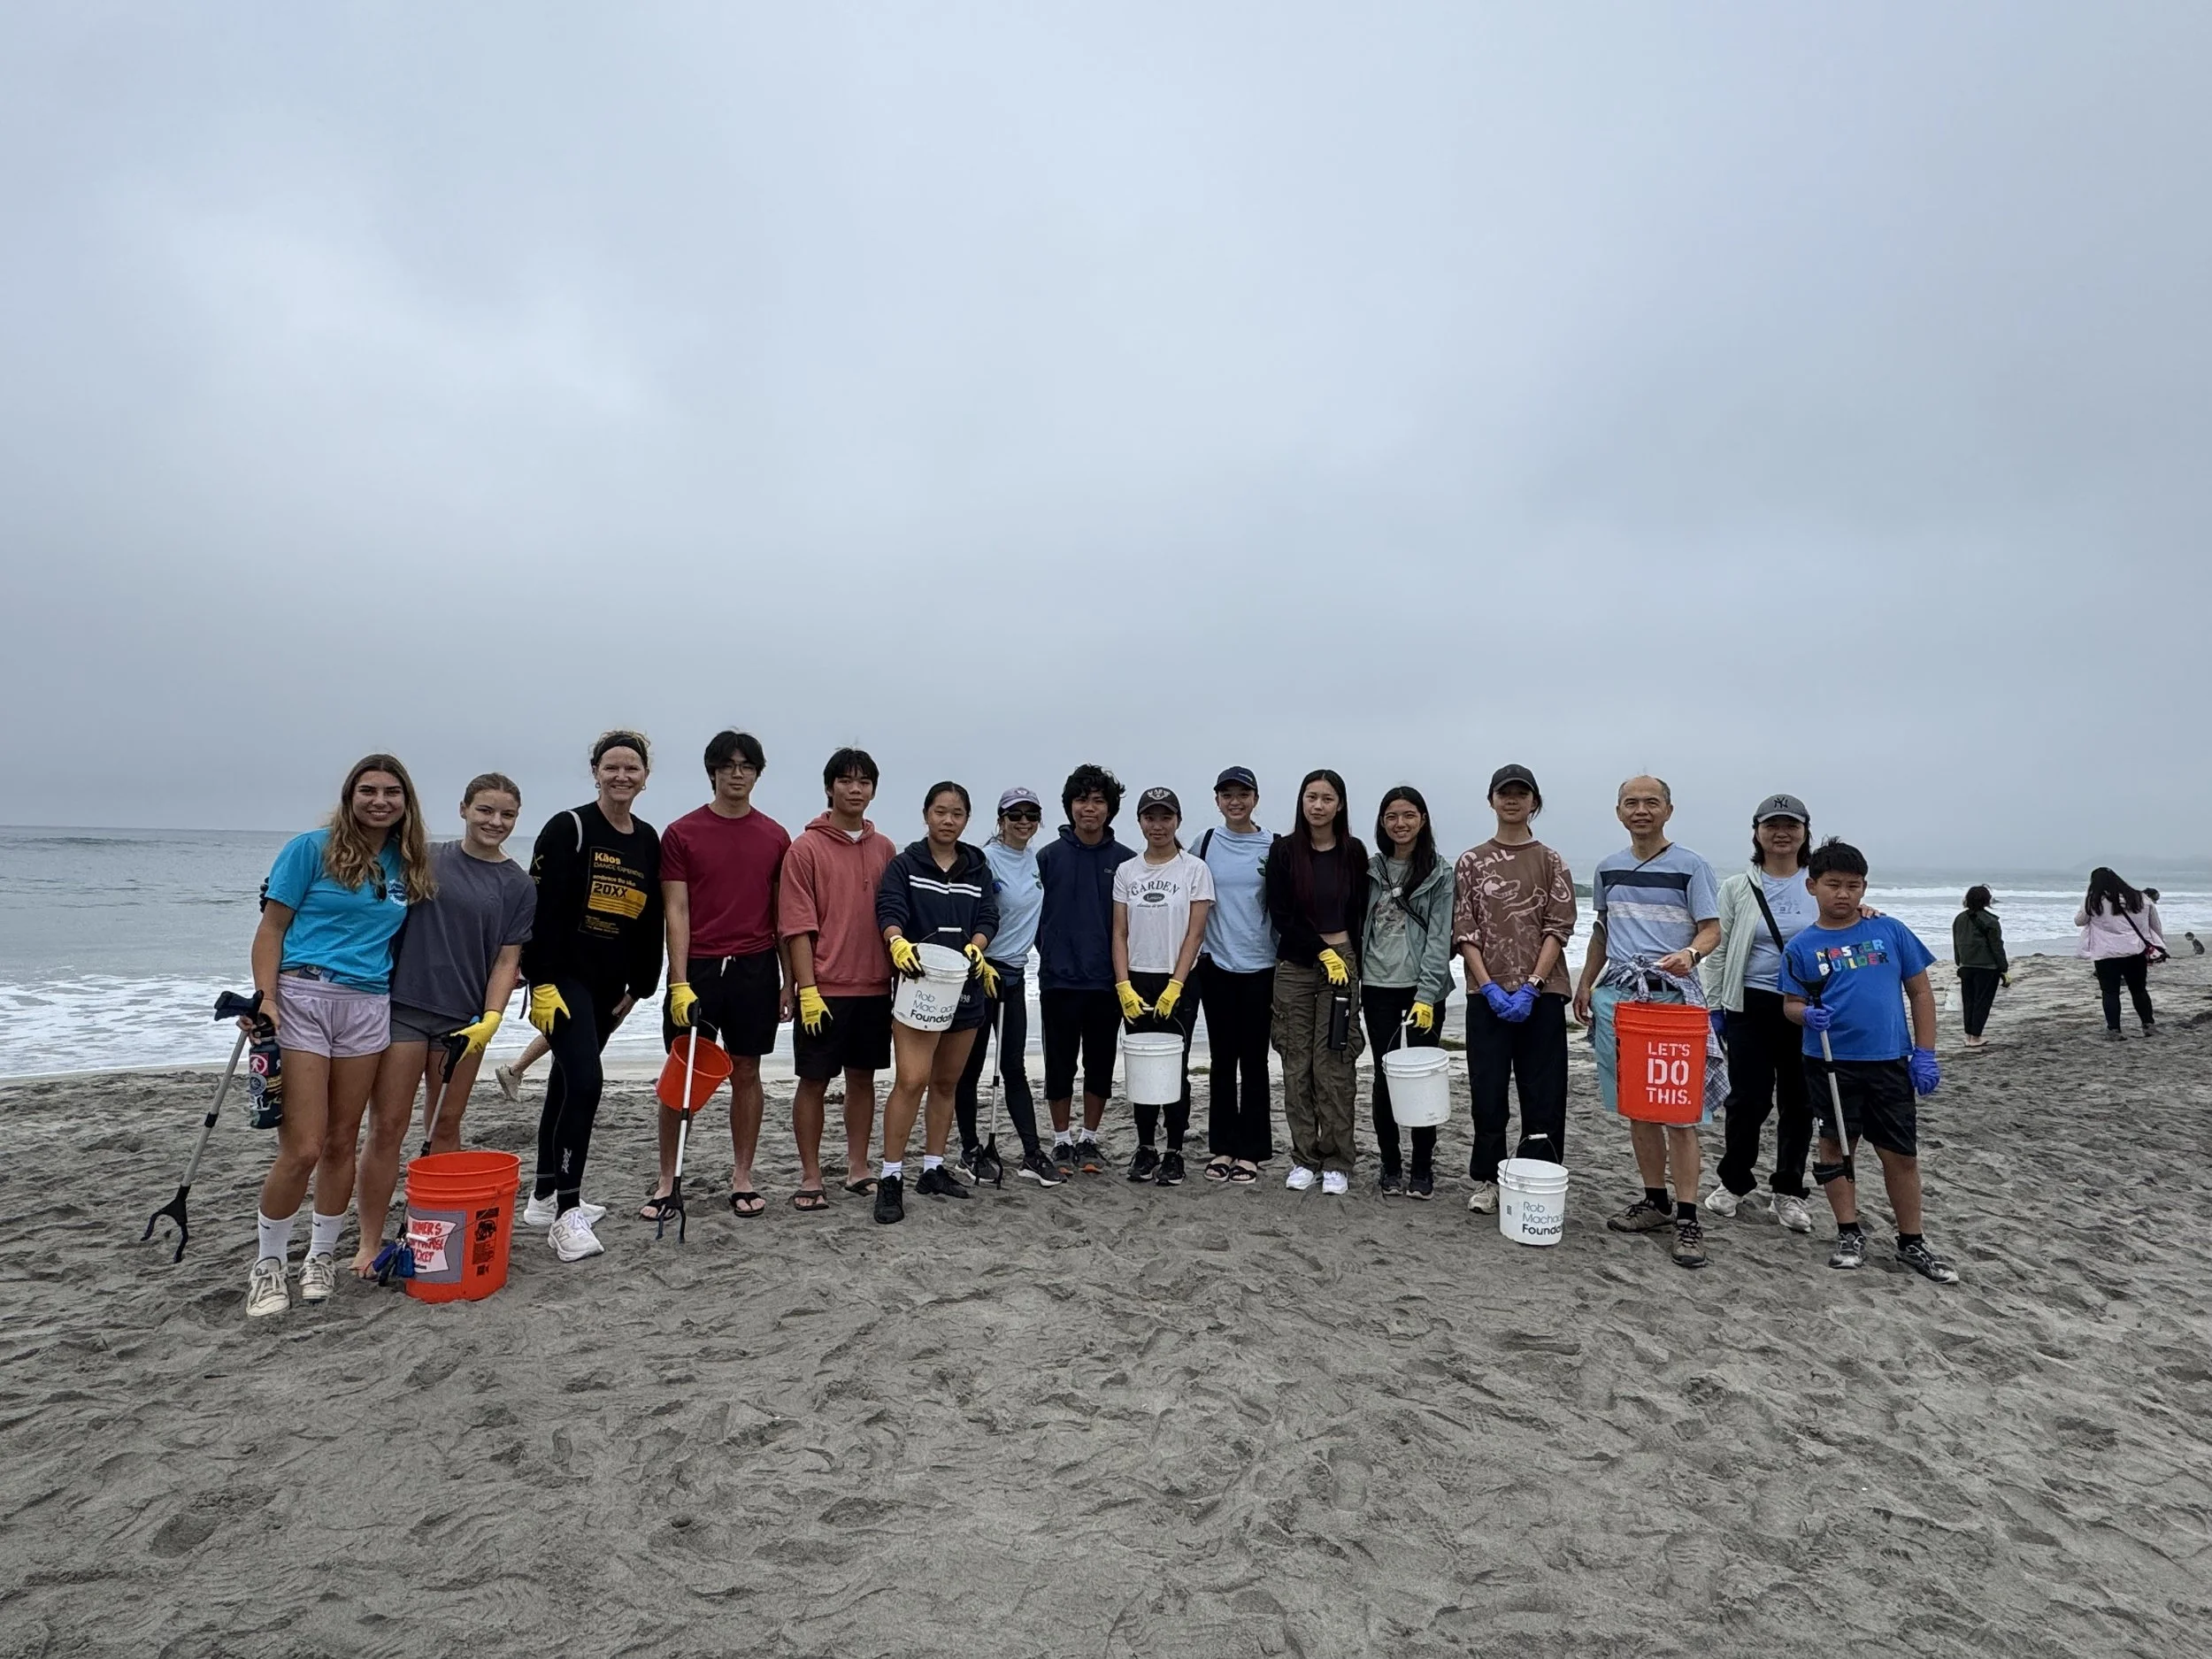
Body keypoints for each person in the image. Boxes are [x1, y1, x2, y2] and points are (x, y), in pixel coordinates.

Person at [242, 755, 435, 1317]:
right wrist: (265, 999)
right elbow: (271, 929)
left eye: (392, 792)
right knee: (302, 1145)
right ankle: (269, 1263)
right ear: (351, 795)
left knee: (340, 1142)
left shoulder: (407, 861)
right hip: (303, 997)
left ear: (406, 801)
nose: (380, 801)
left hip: (369, 1004)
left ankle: (320, 1256)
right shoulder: (311, 848)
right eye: (368, 791)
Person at [352, 772, 535, 1278]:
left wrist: (492, 1019)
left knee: (446, 1124)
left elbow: (506, 960)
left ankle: (430, 1228)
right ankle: (368, 1242)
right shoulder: (424, 857)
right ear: (463, 809)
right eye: (485, 811)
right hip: (405, 1008)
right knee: (388, 1125)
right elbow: (367, 905)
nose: (495, 822)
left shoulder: (518, 884)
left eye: (506, 815)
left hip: (467, 1021)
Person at [1782, 839, 1956, 1282]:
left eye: (1853, 886)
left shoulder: (1890, 931)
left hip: (1889, 1061)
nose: (1843, 894)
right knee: (1838, 1149)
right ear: (1812, 886)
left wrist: (1926, 1052)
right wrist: (1807, 1015)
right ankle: (1848, 1231)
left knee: (1900, 1154)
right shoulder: (1802, 947)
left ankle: (1911, 1240)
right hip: (1829, 1063)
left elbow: (1920, 992)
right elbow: (1790, 1004)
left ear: (1864, 888)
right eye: (1833, 885)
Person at [520, 731, 663, 1263]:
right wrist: (542, 979)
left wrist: (640, 988)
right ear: (595, 772)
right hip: (564, 980)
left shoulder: (647, 839)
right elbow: (540, 908)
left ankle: (541, 1196)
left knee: (564, 1079)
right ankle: (566, 1212)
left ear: (646, 777)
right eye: (612, 767)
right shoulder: (569, 827)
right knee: (586, 1079)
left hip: (610, 986)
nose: (622, 776)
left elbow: (650, 922)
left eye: (632, 768)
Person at [1575, 776, 1722, 1270]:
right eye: (1631, 803)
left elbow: (1711, 929)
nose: (1641, 810)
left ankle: (1687, 1215)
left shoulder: (1692, 865)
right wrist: (1585, 984)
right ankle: (1655, 1201)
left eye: (1651, 803)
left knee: (1680, 1111)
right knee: (1637, 1107)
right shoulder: (1607, 868)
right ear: (1618, 811)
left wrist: (1690, 954)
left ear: (1668, 810)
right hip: (1620, 997)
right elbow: (1602, 930)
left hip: (1673, 998)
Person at [656, 730, 794, 1219]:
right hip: (699, 968)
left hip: (755, 967)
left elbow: (782, 915)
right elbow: (676, 909)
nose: (737, 774)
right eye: (728, 765)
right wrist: (677, 981)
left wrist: (790, 982)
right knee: (682, 1076)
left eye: (746, 766)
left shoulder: (776, 835)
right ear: (712, 771)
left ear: (757, 773)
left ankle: (743, 1175)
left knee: (748, 1071)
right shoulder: (681, 833)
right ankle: (667, 1179)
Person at [871, 782, 1000, 1224]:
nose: (948, 820)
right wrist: (896, 942)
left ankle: (933, 1167)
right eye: (940, 811)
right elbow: (889, 908)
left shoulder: (977, 867)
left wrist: (979, 945)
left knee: (947, 1083)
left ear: (967, 819)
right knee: (912, 1079)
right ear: (926, 814)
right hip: (919, 984)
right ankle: (891, 1177)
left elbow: (988, 915)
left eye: (957, 813)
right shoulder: (905, 864)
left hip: (965, 986)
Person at [1452, 764, 1576, 1215]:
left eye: (1521, 794)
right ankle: (1488, 1177)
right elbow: (1465, 929)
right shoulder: (1470, 861)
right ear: (1491, 800)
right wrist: (1488, 987)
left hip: (1540, 995)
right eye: (1504, 793)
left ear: (1534, 803)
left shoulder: (1552, 860)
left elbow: (1559, 926)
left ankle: (1536, 1176)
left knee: (1542, 1091)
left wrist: (1533, 985)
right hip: (1485, 994)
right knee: (1487, 1091)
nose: (1512, 800)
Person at [1699, 793, 1820, 1233]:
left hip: (1806, 1007)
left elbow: (1845, 928)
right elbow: (1719, 949)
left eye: (1791, 825)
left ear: (1806, 831)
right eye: (1772, 825)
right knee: (1746, 1099)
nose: (1781, 833)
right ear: (1757, 832)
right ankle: (1733, 1182)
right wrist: (1715, 1006)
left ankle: (1787, 1191)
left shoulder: (1818, 883)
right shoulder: (1737, 887)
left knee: (1799, 1101)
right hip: (1749, 1003)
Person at [780, 748, 899, 1194]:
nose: (856, 789)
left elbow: (895, 917)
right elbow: (795, 925)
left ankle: (857, 1168)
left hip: (873, 987)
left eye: (864, 781)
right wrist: (804, 989)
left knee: (862, 1078)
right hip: (824, 989)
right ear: (830, 788)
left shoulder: (885, 848)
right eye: (846, 781)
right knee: (813, 1081)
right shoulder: (804, 848)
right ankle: (811, 1176)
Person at [1266, 769, 1371, 1195]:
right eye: (1311, 797)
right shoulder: (1285, 852)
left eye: (1327, 798)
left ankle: (1338, 1160)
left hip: (1342, 966)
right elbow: (1281, 916)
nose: (1318, 805)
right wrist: (1317, 951)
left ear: (1340, 805)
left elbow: (1361, 914)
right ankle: (1304, 1157)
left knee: (1335, 1064)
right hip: (1296, 967)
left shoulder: (1354, 852)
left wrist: (1346, 960)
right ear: (1301, 801)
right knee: (1297, 1065)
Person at [955, 787, 1062, 1187]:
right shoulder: (984, 860)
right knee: (971, 1067)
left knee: (1013, 1067)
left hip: (1016, 975)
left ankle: (1032, 1153)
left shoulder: (1033, 861)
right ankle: (969, 1149)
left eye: (1031, 815)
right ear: (1000, 819)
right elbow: (971, 910)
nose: (1023, 822)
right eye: (1014, 815)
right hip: (982, 972)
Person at [1111, 787, 1215, 1186]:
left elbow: (1196, 933)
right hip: (1137, 977)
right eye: (1150, 817)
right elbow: (1119, 932)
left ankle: (1173, 1150)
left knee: (1175, 1068)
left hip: (1181, 979)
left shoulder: (1193, 870)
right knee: (1140, 1066)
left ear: (1177, 821)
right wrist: (1123, 985)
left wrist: (1176, 984)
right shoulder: (1127, 871)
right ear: (1140, 822)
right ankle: (1144, 1147)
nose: (1158, 825)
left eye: (1166, 817)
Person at [1037, 764, 1136, 1174]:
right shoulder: (1047, 857)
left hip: (1107, 982)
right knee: (1059, 1064)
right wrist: (1051, 951)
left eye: (1098, 801)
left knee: (1100, 1064)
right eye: (1081, 800)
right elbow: (1030, 916)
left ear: (1110, 808)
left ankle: (1090, 1138)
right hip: (1058, 979)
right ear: (1069, 807)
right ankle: (1061, 1141)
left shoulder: (1127, 862)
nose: (1089, 808)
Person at [1362, 786, 1453, 1198]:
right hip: (1377, 986)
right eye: (1392, 816)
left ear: (1423, 819)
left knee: (1422, 1081)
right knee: (1384, 1076)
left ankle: (1422, 1165)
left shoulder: (1439, 872)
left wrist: (1427, 994)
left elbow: (1439, 938)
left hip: (1423, 989)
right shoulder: (1370, 869)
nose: (1400, 823)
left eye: (1409, 815)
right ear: (1383, 823)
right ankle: (1390, 1163)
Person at [1195, 766, 1274, 1185]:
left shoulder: (1274, 846)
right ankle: (1223, 1147)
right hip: (1217, 966)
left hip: (1262, 967)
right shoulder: (1205, 843)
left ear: (1256, 798)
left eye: (1242, 794)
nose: (1235, 801)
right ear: (1217, 800)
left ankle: (1253, 1151)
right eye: (1227, 795)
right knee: (1222, 1061)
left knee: (1255, 1061)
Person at [2076, 868, 2166, 1039]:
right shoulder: (2141, 898)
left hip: (2106, 953)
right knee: (2139, 990)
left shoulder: (2094, 901)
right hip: (2135, 950)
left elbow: (2079, 921)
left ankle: (2114, 1030)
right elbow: (2155, 924)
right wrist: (2158, 945)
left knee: (2110, 992)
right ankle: (2148, 1025)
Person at [1951, 885, 2009, 1050]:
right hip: (1987, 967)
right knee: (1982, 1002)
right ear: (1986, 900)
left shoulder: (1959, 919)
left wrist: (1959, 961)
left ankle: (1969, 1035)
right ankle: (1975, 1037)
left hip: (1965, 966)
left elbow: (1956, 942)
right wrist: (2003, 967)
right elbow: (1997, 946)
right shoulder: (1991, 921)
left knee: (1968, 1001)